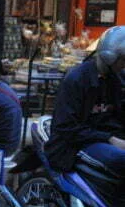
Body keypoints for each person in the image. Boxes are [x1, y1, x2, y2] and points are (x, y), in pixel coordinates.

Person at [45, 26, 125, 179]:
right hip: (76, 144)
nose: (124, 65)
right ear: (110, 56)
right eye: (123, 59)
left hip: (108, 136)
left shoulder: (117, 78)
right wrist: (109, 138)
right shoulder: (77, 80)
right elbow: (66, 127)